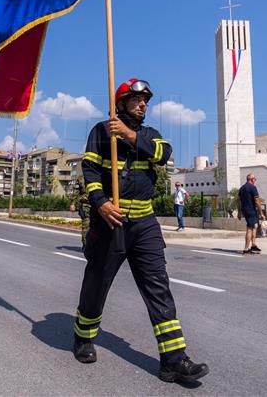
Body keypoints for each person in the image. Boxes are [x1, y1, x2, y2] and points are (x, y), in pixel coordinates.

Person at [72, 78, 209, 383]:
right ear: (120, 104)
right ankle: (83, 337)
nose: (143, 104)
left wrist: (131, 136)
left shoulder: (149, 135)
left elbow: (163, 152)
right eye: (136, 100)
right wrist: (101, 203)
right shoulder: (101, 131)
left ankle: (173, 360)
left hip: (145, 226)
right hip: (110, 222)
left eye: (146, 100)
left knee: (159, 290)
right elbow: (90, 170)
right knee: (96, 285)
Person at [237, 174, 265, 253]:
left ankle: (253, 245)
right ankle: (246, 248)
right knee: (249, 228)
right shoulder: (252, 187)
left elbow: (238, 201)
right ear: (252, 179)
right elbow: (257, 201)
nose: (255, 180)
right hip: (251, 210)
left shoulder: (242, 188)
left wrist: (239, 212)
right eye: (255, 179)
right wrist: (261, 213)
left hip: (245, 210)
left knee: (255, 226)